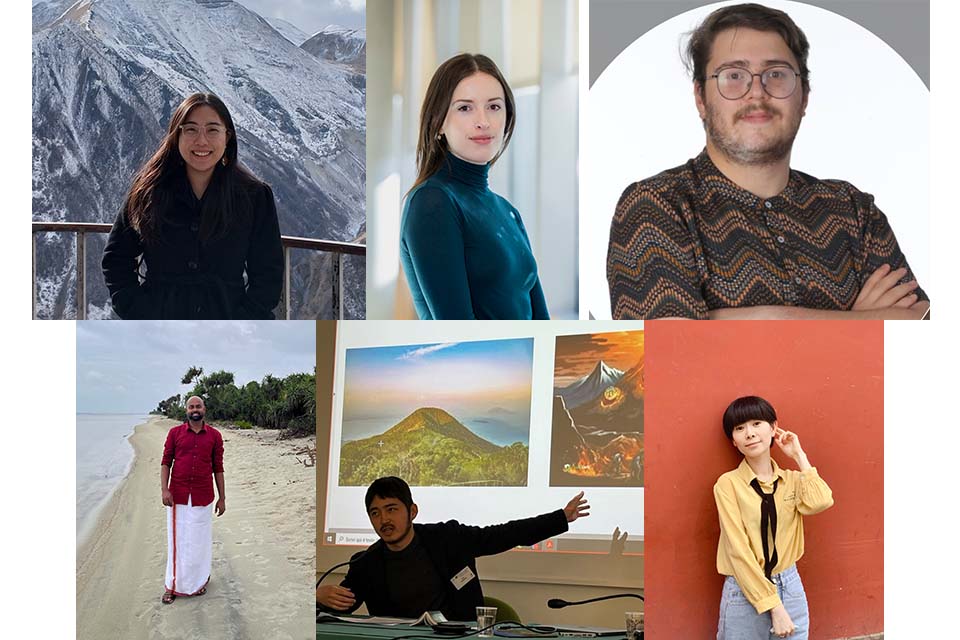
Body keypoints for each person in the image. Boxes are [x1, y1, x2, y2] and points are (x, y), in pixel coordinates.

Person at [607, 3, 929, 320]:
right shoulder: (655, 207)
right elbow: (671, 360)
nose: (756, 93)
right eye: (733, 75)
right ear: (701, 99)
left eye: (776, 74)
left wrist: (752, 322)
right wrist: (863, 324)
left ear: (804, 96)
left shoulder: (854, 212)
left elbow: (925, 341)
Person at [102, 92, 284, 319]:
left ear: (227, 137)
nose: (201, 141)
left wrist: (242, 322)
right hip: (159, 334)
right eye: (191, 129)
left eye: (212, 129)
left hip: (231, 333)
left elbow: (269, 274)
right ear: (176, 136)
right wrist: (140, 313)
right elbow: (116, 259)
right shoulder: (148, 192)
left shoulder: (254, 197)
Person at [400, 53, 550, 319]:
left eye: (494, 106)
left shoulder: (508, 211)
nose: (483, 121)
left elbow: (542, 321)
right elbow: (458, 332)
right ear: (438, 122)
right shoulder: (433, 202)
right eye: (465, 108)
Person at [316, 476, 588, 620]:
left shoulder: (448, 538)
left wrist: (560, 518)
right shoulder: (366, 563)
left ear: (412, 511)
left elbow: (504, 534)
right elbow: (342, 608)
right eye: (375, 513)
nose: (384, 520)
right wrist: (317, 597)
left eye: (391, 509)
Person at [713, 396, 833, 639]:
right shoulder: (728, 485)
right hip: (744, 591)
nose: (749, 433)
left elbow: (822, 501)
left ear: (773, 428)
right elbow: (738, 550)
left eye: (757, 423)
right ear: (734, 442)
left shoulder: (792, 480)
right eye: (739, 428)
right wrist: (774, 606)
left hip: (789, 585)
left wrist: (799, 456)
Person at [160, 396, 226, 604]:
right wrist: (164, 490)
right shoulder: (174, 434)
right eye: (191, 406)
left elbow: (218, 468)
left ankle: (198, 582)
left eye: (198, 406)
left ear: (204, 409)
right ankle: (172, 585)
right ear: (186, 410)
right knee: (177, 542)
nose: (195, 409)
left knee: (199, 542)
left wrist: (222, 498)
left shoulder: (214, 436)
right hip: (177, 495)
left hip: (202, 496)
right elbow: (165, 463)